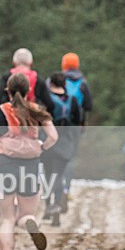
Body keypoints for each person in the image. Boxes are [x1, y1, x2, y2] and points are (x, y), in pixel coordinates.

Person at [0, 72, 58, 250]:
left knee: (7, 219)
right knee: (26, 215)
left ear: (7, 90)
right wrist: (41, 146)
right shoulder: (37, 110)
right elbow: (53, 136)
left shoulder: (0, 112)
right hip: (30, 167)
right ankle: (31, 223)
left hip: (6, 166)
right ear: (29, 90)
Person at [40, 72, 81, 227]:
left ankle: (47, 208)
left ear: (50, 84)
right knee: (59, 175)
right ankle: (56, 210)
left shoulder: (46, 101)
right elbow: (77, 123)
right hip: (65, 143)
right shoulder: (73, 101)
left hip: (48, 143)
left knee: (48, 175)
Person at [57, 52, 94, 213]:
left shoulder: (58, 80)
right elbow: (88, 106)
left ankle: (55, 190)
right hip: (76, 126)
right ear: (77, 65)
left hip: (58, 125)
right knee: (70, 158)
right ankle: (66, 190)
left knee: (57, 157)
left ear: (64, 65)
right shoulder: (83, 83)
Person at [0, 48, 53, 115]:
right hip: (32, 118)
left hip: (10, 115)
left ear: (14, 62)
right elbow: (49, 104)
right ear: (31, 63)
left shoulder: (7, 77)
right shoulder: (38, 79)